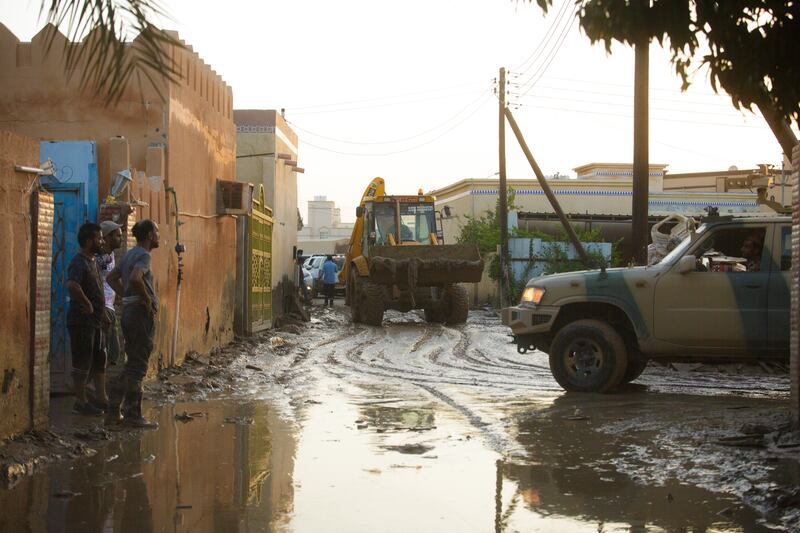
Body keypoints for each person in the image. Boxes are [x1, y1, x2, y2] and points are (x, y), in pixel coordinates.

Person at [106, 219, 160, 428]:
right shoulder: (144, 256)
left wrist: (125, 296)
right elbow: (137, 278)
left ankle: (113, 410)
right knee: (138, 365)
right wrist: (146, 300)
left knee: (131, 363)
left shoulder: (129, 254)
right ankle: (132, 415)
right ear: (148, 235)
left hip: (129, 312)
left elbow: (111, 278)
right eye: (156, 231)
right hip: (139, 315)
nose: (158, 236)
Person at [66, 223, 107, 416]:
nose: (102, 241)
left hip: (95, 322)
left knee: (97, 359)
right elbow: (73, 285)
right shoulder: (79, 262)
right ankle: (80, 402)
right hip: (81, 321)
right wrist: (87, 304)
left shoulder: (93, 261)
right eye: (99, 238)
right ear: (89, 241)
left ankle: (98, 398)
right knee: (82, 362)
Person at [96, 221, 123, 365]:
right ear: (106, 237)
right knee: (103, 352)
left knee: (111, 352)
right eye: (118, 236)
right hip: (104, 308)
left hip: (109, 306)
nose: (121, 238)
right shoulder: (99, 258)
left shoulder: (110, 253)